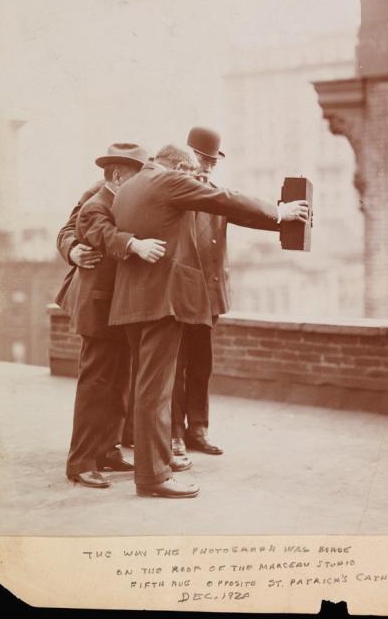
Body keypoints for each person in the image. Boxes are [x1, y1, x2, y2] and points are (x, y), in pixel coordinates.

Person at [109, 144, 309, 498]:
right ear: (180, 167)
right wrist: (279, 212)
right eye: (190, 172)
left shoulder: (128, 188)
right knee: (156, 391)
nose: (194, 178)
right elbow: (222, 197)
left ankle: (152, 468)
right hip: (163, 301)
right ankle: (154, 478)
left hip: (131, 301)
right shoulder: (169, 180)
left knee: (146, 388)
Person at [62, 143, 169, 488]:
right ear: (117, 175)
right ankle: (80, 462)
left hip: (120, 306)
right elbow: (100, 233)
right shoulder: (97, 202)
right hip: (98, 305)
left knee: (119, 381)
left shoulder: (125, 199)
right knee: (95, 385)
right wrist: (132, 245)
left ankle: (106, 450)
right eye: (138, 175)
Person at [171, 126, 279, 457]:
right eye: (201, 159)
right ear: (187, 156)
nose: (206, 167)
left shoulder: (215, 193)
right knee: (176, 365)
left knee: (201, 363)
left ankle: (197, 430)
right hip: (178, 293)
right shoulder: (174, 189)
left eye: (211, 162)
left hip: (209, 293)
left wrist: (283, 218)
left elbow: (245, 212)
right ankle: (174, 432)